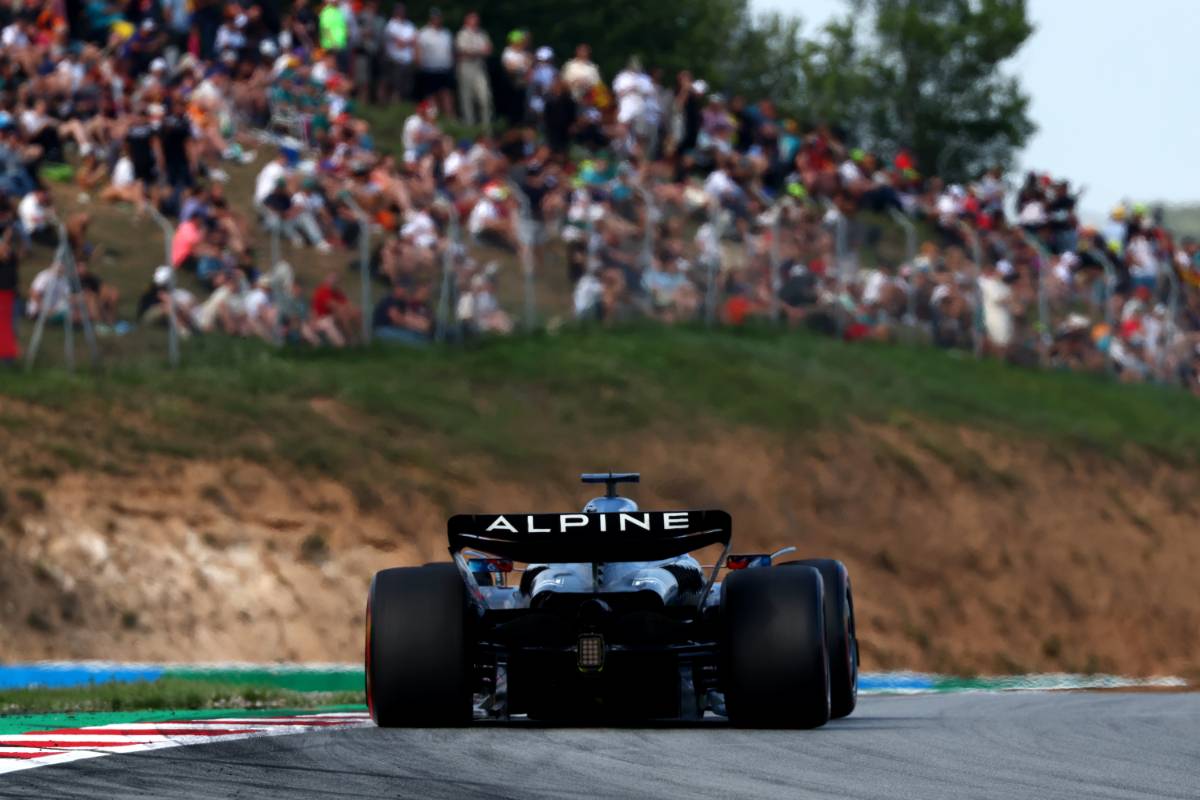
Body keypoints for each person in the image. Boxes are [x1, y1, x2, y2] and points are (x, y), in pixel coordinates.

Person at [455, 11, 492, 130]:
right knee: (467, 98)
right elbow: (463, 51)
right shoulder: (462, 34)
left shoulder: (482, 34)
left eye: (476, 19)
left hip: (479, 68)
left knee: (485, 97)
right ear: (467, 21)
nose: (476, 22)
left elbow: (489, 49)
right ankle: (469, 127)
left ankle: (487, 127)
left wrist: (475, 51)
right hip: (466, 68)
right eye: (473, 19)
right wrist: (479, 51)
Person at [416, 8, 454, 119]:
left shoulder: (446, 33)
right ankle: (434, 118)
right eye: (435, 18)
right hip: (429, 69)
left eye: (438, 18)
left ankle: (449, 118)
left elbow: (451, 51)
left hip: (445, 68)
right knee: (431, 96)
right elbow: (418, 50)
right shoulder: (424, 33)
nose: (437, 20)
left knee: (446, 95)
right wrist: (419, 64)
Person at [383, 3, 417, 102]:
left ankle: (402, 104)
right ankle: (393, 104)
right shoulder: (391, 24)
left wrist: (406, 42)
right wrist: (408, 41)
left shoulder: (409, 24)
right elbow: (399, 42)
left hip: (407, 60)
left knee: (407, 86)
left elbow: (414, 40)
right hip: (395, 59)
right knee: (395, 84)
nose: (401, 13)